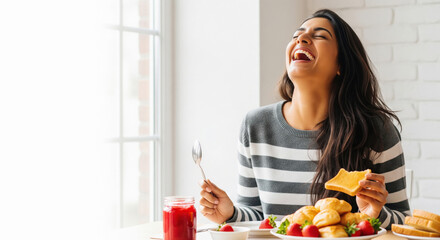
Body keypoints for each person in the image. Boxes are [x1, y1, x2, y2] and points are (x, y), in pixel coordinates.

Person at [198, 9, 410, 230]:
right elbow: (259, 217)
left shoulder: (376, 131)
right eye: (296, 35)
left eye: (319, 36)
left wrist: (375, 213)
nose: (301, 38)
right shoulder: (255, 126)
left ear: (342, 65)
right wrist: (230, 214)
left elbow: (404, 221)